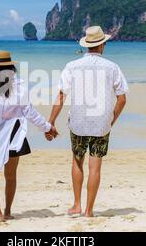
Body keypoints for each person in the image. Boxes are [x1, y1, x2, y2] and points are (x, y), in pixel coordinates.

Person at [0, 50, 58, 223]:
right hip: (13, 137)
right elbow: (30, 113)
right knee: (11, 176)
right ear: (11, 67)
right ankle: (7, 211)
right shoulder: (19, 87)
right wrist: (47, 127)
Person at [46, 26, 128, 217]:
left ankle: (76, 205)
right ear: (103, 45)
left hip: (78, 123)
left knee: (77, 161)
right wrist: (111, 120)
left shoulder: (72, 66)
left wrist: (51, 122)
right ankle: (89, 211)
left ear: (86, 46)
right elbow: (122, 99)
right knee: (95, 167)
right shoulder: (112, 67)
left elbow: (61, 96)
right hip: (101, 124)